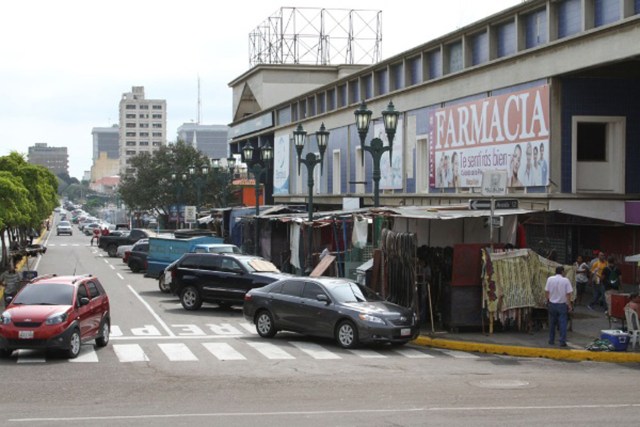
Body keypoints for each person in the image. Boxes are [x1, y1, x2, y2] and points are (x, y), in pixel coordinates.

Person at [545, 266, 573, 347]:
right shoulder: (566, 280)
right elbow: (568, 294)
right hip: (562, 305)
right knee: (562, 323)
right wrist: (569, 305)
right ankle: (562, 341)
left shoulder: (550, 279)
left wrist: (548, 300)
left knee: (552, 323)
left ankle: (551, 340)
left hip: (552, 304)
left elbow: (546, 291)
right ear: (562, 272)